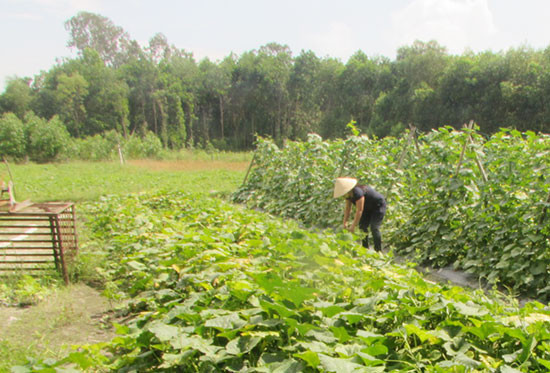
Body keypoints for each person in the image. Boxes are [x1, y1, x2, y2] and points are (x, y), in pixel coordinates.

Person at [333, 177, 386, 251]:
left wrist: (353, 226)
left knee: (374, 227)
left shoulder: (358, 192)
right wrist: (345, 222)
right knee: (362, 227)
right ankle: (364, 248)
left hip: (378, 206)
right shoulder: (348, 196)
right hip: (366, 208)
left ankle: (378, 250)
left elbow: (359, 210)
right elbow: (348, 209)